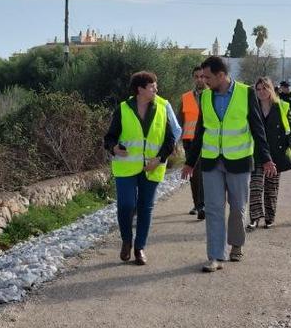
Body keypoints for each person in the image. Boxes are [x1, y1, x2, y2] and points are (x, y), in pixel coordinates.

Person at [181, 56, 276, 273]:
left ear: (221, 75)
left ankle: (236, 245)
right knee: (214, 209)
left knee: (237, 208)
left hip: (240, 161)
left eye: (207, 76)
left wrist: (267, 158)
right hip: (212, 161)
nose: (203, 80)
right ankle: (215, 256)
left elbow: (257, 127)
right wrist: (189, 162)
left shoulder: (246, 93)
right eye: (202, 76)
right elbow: (200, 131)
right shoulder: (205, 96)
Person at [103, 70, 177, 266]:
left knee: (145, 208)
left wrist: (160, 158)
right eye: (152, 86)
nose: (156, 89)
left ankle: (140, 248)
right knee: (126, 206)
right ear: (140, 89)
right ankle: (127, 240)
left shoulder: (161, 108)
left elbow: (170, 140)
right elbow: (109, 137)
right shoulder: (123, 109)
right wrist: (114, 148)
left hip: (152, 168)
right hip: (126, 168)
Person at [248, 77, 291, 229]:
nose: (261, 92)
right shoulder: (252, 107)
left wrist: (290, 141)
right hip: (257, 153)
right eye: (258, 89)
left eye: (264, 88)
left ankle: (269, 218)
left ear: (271, 89)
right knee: (255, 186)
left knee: (271, 187)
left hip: (276, 153)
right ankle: (254, 218)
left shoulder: (281, 106)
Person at [179, 66, 207, 220]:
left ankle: (203, 205)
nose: (200, 79)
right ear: (193, 78)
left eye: (202, 76)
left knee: (204, 173)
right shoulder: (186, 98)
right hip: (190, 141)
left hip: (208, 141)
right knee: (194, 175)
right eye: (196, 76)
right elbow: (179, 121)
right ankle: (198, 204)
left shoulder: (212, 95)